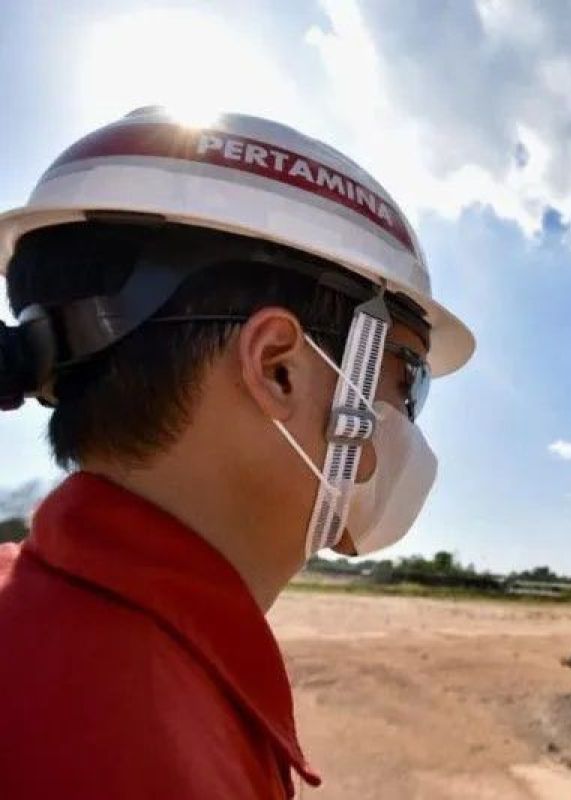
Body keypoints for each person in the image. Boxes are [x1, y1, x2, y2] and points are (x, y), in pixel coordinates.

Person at [0, 107, 474, 798]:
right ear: (277, 367)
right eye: (408, 380)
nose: (407, 425)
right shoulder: (145, 756)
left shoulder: (56, 638)